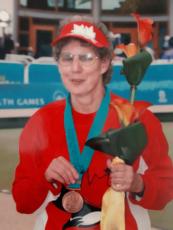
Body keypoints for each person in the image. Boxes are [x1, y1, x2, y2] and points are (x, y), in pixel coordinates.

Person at [12, 16, 173, 230]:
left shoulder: (139, 118)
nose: (75, 68)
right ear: (58, 64)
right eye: (67, 57)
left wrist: (137, 183)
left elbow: (166, 188)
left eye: (86, 57)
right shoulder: (40, 122)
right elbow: (23, 203)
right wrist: (45, 177)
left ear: (104, 63)